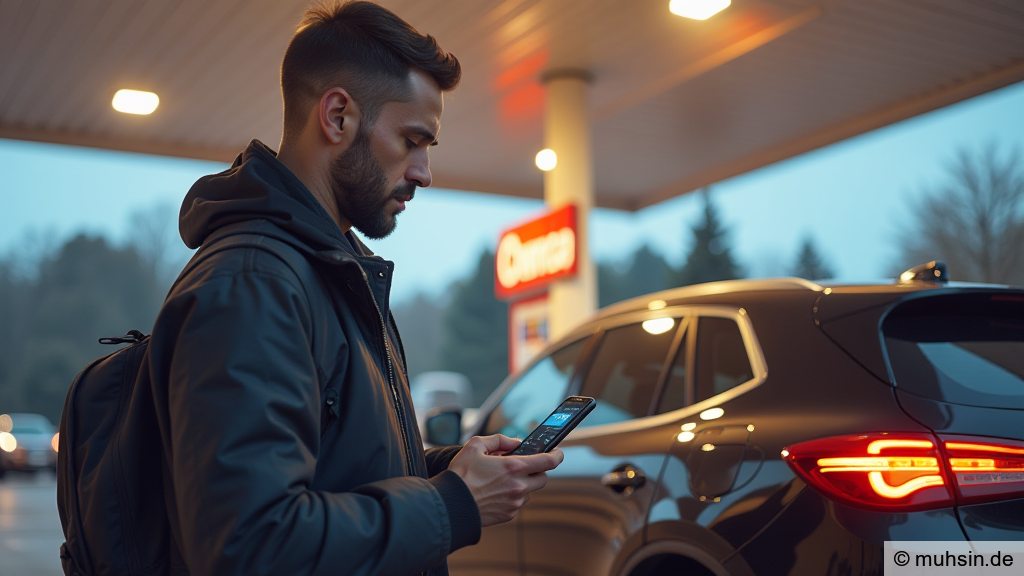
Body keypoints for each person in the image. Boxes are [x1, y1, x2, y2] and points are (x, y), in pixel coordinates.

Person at [140, 2, 563, 575]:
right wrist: (456, 502)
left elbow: (342, 470)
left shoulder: (331, 273)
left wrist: (451, 468)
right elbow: (251, 546)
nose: (424, 172)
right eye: (413, 140)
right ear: (337, 116)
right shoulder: (253, 285)